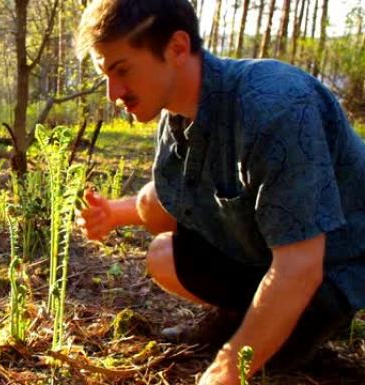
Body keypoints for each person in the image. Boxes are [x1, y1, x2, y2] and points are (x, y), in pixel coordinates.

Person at [75, 0, 365, 384]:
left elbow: (300, 268)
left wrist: (225, 369)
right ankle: (246, 320)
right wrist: (115, 213)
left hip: (330, 271)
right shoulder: (176, 117)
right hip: (271, 255)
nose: (113, 92)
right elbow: (167, 199)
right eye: (104, 73)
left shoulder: (275, 107)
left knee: (266, 366)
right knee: (164, 253)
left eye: (122, 69)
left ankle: (307, 328)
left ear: (177, 48)